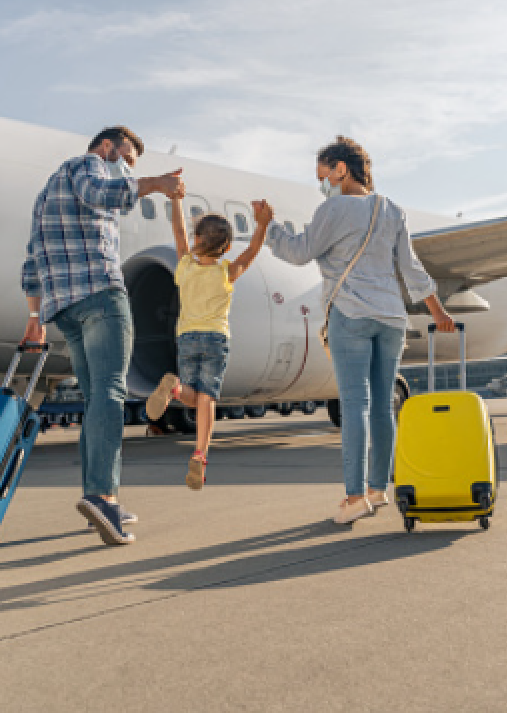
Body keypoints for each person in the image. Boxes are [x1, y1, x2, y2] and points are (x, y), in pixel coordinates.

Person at [266, 136, 455, 525]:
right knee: (384, 405)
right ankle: (377, 489)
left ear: (341, 169)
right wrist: (438, 312)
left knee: (355, 405)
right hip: (391, 319)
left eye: (324, 175)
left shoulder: (332, 209)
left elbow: (300, 252)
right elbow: (411, 269)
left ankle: (354, 498)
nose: (322, 184)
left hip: (350, 315)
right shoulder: (392, 210)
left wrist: (270, 229)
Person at [21, 125, 184, 546]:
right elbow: (103, 193)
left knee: (96, 400)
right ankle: (102, 494)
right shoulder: (89, 165)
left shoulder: (46, 194)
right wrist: (157, 185)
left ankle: (98, 493)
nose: (128, 170)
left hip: (65, 309)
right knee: (111, 394)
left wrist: (34, 319)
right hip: (99, 294)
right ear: (108, 146)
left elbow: (32, 260)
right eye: (127, 160)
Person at [144, 186, 271, 490]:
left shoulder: (185, 266)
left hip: (187, 338)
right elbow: (252, 252)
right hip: (216, 338)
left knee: (190, 393)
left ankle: (174, 387)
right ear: (226, 248)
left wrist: (176, 200)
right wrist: (262, 224)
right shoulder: (227, 272)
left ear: (197, 239)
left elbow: (178, 231)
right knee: (207, 397)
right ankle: (201, 452)